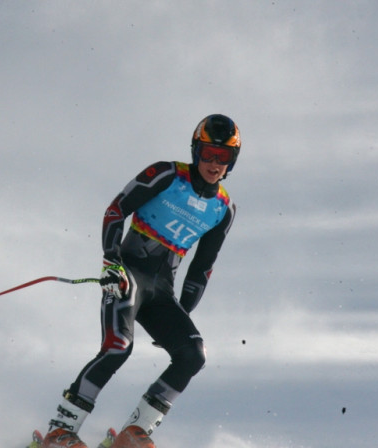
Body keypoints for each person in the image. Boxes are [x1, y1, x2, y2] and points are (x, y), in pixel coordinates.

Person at [39, 114, 240, 448]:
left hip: (161, 292)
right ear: (196, 151)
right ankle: (60, 430)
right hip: (128, 275)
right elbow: (117, 209)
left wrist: (185, 311)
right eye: (208, 153)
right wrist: (111, 262)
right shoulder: (167, 173)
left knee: (193, 355)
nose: (214, 163)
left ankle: (136, 432)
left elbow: (202, 268)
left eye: (224, 157)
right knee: (119, 346)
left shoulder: (224, 209)